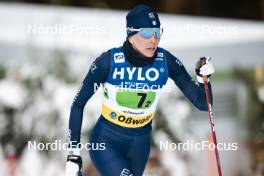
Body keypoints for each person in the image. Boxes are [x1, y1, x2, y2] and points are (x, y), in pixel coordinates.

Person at [65, 4, 214, 176]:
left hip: (140, 145)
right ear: (130, 36)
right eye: (146, 33)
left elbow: (204, 104)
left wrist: (204, 80)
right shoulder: (108, 63)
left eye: (157, 32)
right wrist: (73, 154)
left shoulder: (165, 61)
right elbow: (78, 104)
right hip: (107, 141)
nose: (153, 39)